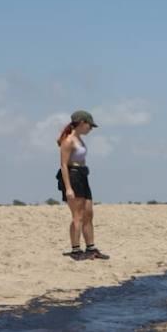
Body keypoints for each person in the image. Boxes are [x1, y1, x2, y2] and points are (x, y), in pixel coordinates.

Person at [55, 110, 109, 260]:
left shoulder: (79, 139)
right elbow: (64, 165)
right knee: (77, 216)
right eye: (89, 125)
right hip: (73, 177)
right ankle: (75, 249)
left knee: (88, 213)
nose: (90, 129)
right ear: (81, 123)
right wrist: (68, 188)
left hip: (83, 176)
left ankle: (91, 248)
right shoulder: (68, 140)